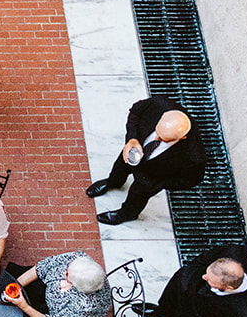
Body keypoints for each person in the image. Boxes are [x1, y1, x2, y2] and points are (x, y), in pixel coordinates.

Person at [86, 94, 207, 225]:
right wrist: (132, 139)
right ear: (162, 116)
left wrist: (160, 183)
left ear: (182, 138)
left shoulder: (194, 156)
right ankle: (113, 182)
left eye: (163, 139)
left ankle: (126, 214)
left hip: (154, 175)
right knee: (120, 166)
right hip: (135, 149)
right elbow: (136, 111)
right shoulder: (159, 104)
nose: (156, 138)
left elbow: (192, 179)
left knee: (138, 196)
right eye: (157, 132)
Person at [2, 252, 112, 317]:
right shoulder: (78, 258)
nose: (64, 272)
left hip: (52, 313)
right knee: (10, 277)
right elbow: (42, 267)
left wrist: (24, 306)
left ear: (77, 287)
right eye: (68, 268)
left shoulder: (85, 306)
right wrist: (16, 286)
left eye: (68, 275)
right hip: (47, 286)